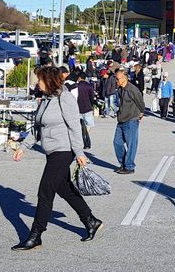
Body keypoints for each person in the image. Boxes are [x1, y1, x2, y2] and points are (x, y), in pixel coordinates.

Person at [11, 66, 101, 251]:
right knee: (65, 189)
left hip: (64, 151)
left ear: (49, 80)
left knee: (45, 191)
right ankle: (90, 220)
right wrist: (23, 147)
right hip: (51, 152)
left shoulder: (64, 97)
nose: (37, 83)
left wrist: (79, 153)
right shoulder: (45, 100)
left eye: (40, 80)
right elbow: (38, 128)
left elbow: (74, 126)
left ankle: (36, 235)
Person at [113, 70, 145, 174]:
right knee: (117, 143)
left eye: (117, 79)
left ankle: (129, 166)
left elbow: (140, 102)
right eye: (116, 79)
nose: (116, 81)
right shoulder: (120, 89)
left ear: (124, 78)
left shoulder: (133, 90)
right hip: (121, 119)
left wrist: (141, 113)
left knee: (131, 144)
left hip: (131, 119)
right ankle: (123, 164)